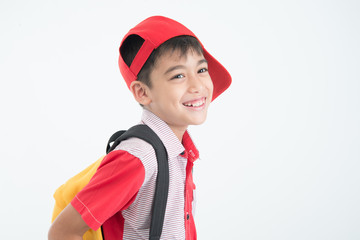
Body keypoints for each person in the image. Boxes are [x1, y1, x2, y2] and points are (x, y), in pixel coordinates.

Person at [48, 15, 231, 240]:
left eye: (202, 70)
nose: (197, 85)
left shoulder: (177, 151)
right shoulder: (138, 158)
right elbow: (63, 232)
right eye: (179, 75)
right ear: (143, 92)